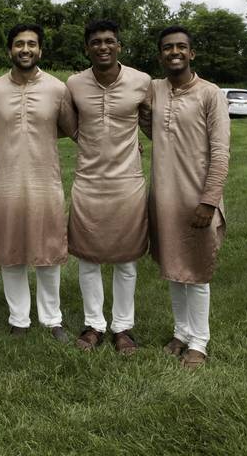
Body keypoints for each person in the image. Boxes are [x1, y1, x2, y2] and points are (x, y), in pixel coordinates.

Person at [0, 24, 76, 341]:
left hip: (45, 182)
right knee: (11, 251)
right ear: (10, 50)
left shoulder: (57, 89)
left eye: (31, 44)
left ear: (40, 50)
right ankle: (18, 319)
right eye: (19, 44)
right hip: (5, 184)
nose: (25, 49)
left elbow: (74, 130)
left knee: (49, 251)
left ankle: (52, 319)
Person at [144, 25, 230, 369]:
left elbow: (221, 152)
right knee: (174, 268)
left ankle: (200, 341)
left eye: (181, 47)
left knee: (196, 271)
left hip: (197, 198)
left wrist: (209, 201)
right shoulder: (154, 90)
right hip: (163, 197)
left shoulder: (210, 94)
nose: (174, 52)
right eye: (167, 48)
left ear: (192, 54)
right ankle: (181, 332)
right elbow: (147, 125)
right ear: (160, 55)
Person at [65, 19, 151, 355]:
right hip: (88, 182)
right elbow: (71, 125)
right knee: (88, 258)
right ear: (87, 48)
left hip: (127, 183)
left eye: (110, 41)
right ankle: (93, 325)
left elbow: (152, 123)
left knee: (126, 260)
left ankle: (123, 327)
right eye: (97, 42)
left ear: (119, 46)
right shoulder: (73, 84)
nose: (103, 46)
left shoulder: (142, 82)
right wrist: (93, 144)